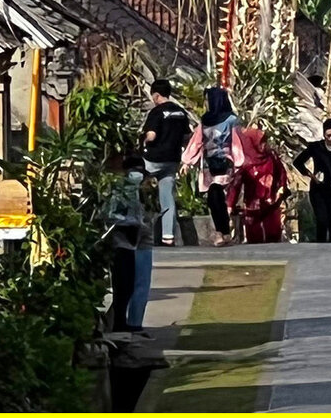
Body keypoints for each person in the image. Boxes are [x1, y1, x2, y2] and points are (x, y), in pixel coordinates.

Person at [100, 150, 153, 336]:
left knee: (129, 285)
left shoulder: (132, 187)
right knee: (125, 285)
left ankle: (128, 323)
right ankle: (124, 323)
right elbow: (113, 215)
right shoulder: (125, 187)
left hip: (131, 238)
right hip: (123, 239)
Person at [181, 86, 239, 246]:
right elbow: (197, 141)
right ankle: (225, 232)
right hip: (208, 165)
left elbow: (237, 142)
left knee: (215, 194)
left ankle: (220, 232)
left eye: (207, 99)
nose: (206, 103)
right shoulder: (205, 120)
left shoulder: (231, 120)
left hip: (225, 163)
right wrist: (187, 161)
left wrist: (239, 163)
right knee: (215, 199)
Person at [139, 80, 192, 246]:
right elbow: (186, 137)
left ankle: (136, 229)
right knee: (167, 197)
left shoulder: (156, 112)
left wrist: (142, 140)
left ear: (156, 95)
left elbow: (152, 136)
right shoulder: (180, 112)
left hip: (153, 160)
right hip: (172, 160)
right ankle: (168, 236)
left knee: (132, 186)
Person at [230, 125, 290, 244]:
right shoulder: (245, 161)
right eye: (261, 142)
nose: (263, 145)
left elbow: (281, 172)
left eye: (264, 142)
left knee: (273, 233)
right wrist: (230, 203)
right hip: (253, 202)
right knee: (254, 236)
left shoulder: (271, 156)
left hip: (271, 200)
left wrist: (281, 188)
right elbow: (236, 184)